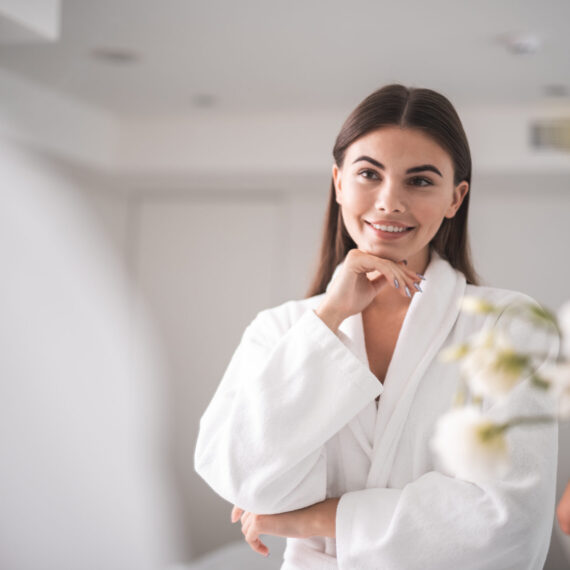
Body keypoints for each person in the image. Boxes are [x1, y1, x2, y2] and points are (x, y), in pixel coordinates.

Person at [194, 84, 558, 569]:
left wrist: (321, 519)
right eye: (369, 174)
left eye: (420, 181)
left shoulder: (507, 326)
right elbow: (242, 478)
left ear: (456, 197)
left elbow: (511, 524)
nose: (389, 202)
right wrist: (327, 318)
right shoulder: (281, 329)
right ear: (339, 182)